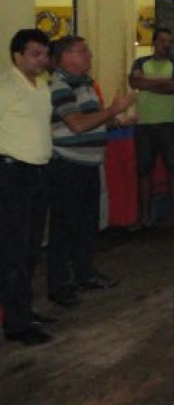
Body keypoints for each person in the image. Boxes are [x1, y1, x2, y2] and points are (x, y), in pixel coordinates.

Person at [46, 36, 135, 309]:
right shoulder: (58, 85)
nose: (89, 55)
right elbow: (76, 124)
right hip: (67, 166)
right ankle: (58, 285)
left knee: (86, 224)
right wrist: (113, 110)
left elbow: (92, 124)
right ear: (65, 56)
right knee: (64, 227)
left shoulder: (85, 84)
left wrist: (118, 121)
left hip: (87, 165)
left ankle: (84, 274)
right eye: (83, 51)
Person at [0, 29, 54, 345]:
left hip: (38, 173)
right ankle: (17, 325)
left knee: (31, 248)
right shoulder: (6, 87)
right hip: (12, 175)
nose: (42, 59)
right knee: (14, 252)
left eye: (45, 54)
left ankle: (23, 310)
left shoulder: (42, 85)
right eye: (35, 54)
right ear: (17, 56)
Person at [129, 27, 174, 229]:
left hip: (170, 124)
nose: (166, 44)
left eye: (170, 41)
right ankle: (144, 217)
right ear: (154, 42)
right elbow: (134, 81)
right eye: (163, 40)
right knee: (144, 172)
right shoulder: (140, 62)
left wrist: (148, 84)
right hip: (145, 124)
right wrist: (163, 83)